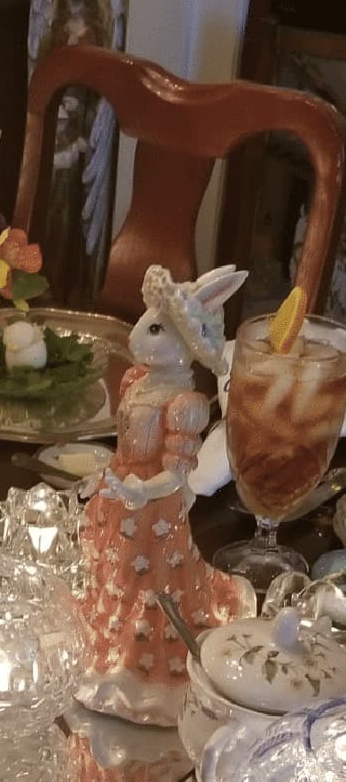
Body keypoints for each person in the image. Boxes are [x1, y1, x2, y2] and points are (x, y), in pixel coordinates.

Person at [76, 264, 256, 726]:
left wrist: (138, 487)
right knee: (113, 567)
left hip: (153, 506)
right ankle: (107, 645)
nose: (139, 336)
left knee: (148, 582)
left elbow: (177, 475)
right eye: (147, 323)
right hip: (123, 494)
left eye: (155, 328)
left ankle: (142, 668)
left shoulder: (185, 404)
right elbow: (125, 445)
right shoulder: (136, 380)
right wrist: (110, 478)